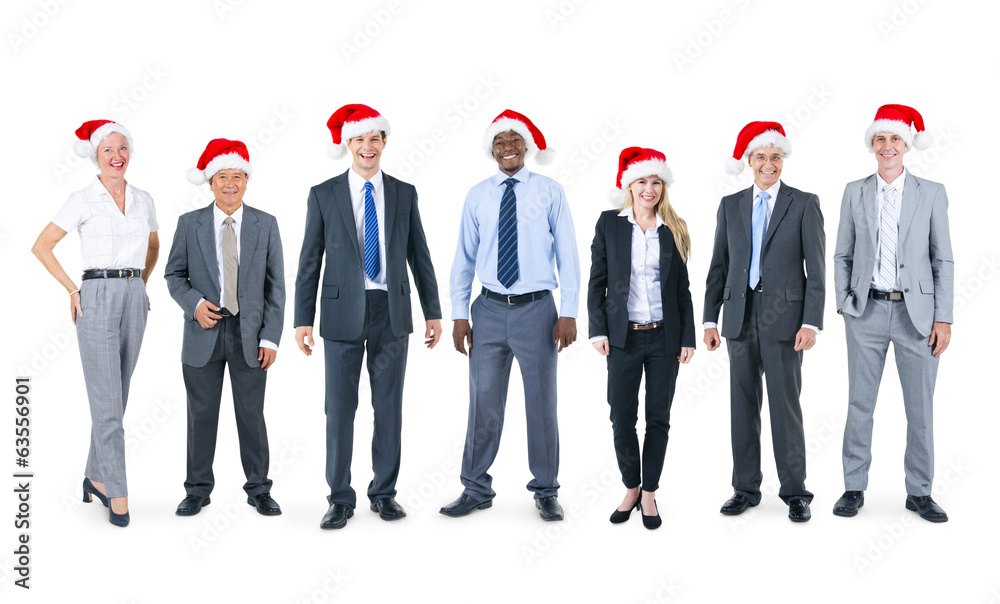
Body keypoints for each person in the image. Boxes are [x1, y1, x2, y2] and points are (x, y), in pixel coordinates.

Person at [294, 104, 442, 530]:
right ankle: (339, 498)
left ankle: (384, 493)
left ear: (384, 143)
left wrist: (432, 311)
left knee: (389, 406)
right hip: (341, 312)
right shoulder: (323, 193)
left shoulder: (403, 192)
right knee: (339, 409)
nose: (367, 146)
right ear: (347, 145)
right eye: (359, 139)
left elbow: (420, 255)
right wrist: (303, 318)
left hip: (390, 311)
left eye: (374, 138)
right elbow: (309, 260)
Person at [441, 109, 580, 522]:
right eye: (499, 142)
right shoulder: (478, 195)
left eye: (514, 141)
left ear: (527, 147)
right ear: (491, 149)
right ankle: (475, 488)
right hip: (487, 310)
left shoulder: (550, 191)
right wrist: (459, 314)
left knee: (541, 403)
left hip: (537, 310)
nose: (507, 148)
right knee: (483, 403)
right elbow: (464, 258)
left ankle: (546, 489)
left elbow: (568, 254)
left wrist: (568, 312)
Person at [32, 120, 159, 527]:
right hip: (96, 295)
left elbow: (154, 245)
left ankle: (95, 476)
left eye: (122, 148)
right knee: (107, 405)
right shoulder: (82, 199)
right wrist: (73, 289)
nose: (117, 156)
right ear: (95, 156)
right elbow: (42, 245)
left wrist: (141, 282)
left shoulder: (143, 199)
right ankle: (117, 493)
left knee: (115, 398)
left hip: (134, 295)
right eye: (108, 150)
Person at [832, 104, 953, 522]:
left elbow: (943, 260)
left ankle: (919, 492)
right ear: (872, 143)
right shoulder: (854, 191)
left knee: (920, 407)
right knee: (859, 404)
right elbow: (843, 253)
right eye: (880, 139)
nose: (887, 146)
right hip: (866, 312)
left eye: (895, 139)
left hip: (916, 317)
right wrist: (846, 304)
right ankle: (853, 486)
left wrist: (943, 318)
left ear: (907, 145)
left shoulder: (932, 193)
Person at [704, 121, 825, 522]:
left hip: (787, 322)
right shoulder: (730, 205)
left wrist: (811, 322)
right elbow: (719, 265)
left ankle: (795, 492)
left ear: (782, 160)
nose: (768, 164)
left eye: (775, 157)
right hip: (739, 319)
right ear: (748, 161)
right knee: (742, 407)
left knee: (785, 407)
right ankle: (745, 488)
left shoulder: (804, 203)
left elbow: (818, 271)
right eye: (760, 157)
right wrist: (709, 320)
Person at [164, 139, 285, 517]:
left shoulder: (266, 224)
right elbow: (174, 274)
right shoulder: (189, 224)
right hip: (203, 333)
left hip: (250, 336)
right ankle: (197, 490)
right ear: (210, 182)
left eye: (236, 176)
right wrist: (195, 305)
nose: (229, 183)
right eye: (221, 177)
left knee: (251, 414)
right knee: (201, 416)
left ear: (246, 180)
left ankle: (259, 489)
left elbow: (276, 286)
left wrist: (270, 337)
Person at [587, 147, 695, 530]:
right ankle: (630, 486)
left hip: (664, 338)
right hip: (622, 339)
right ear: (628, 186)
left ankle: (649, 492)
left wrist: (688, 338)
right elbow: (597, 281)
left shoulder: (674, 228)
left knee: (658, 418)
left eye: (655, 182)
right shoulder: (609, 224)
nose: (649, 189)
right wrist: (598, 329)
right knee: (621, 417)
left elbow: (682, 290)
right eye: (641, 182)